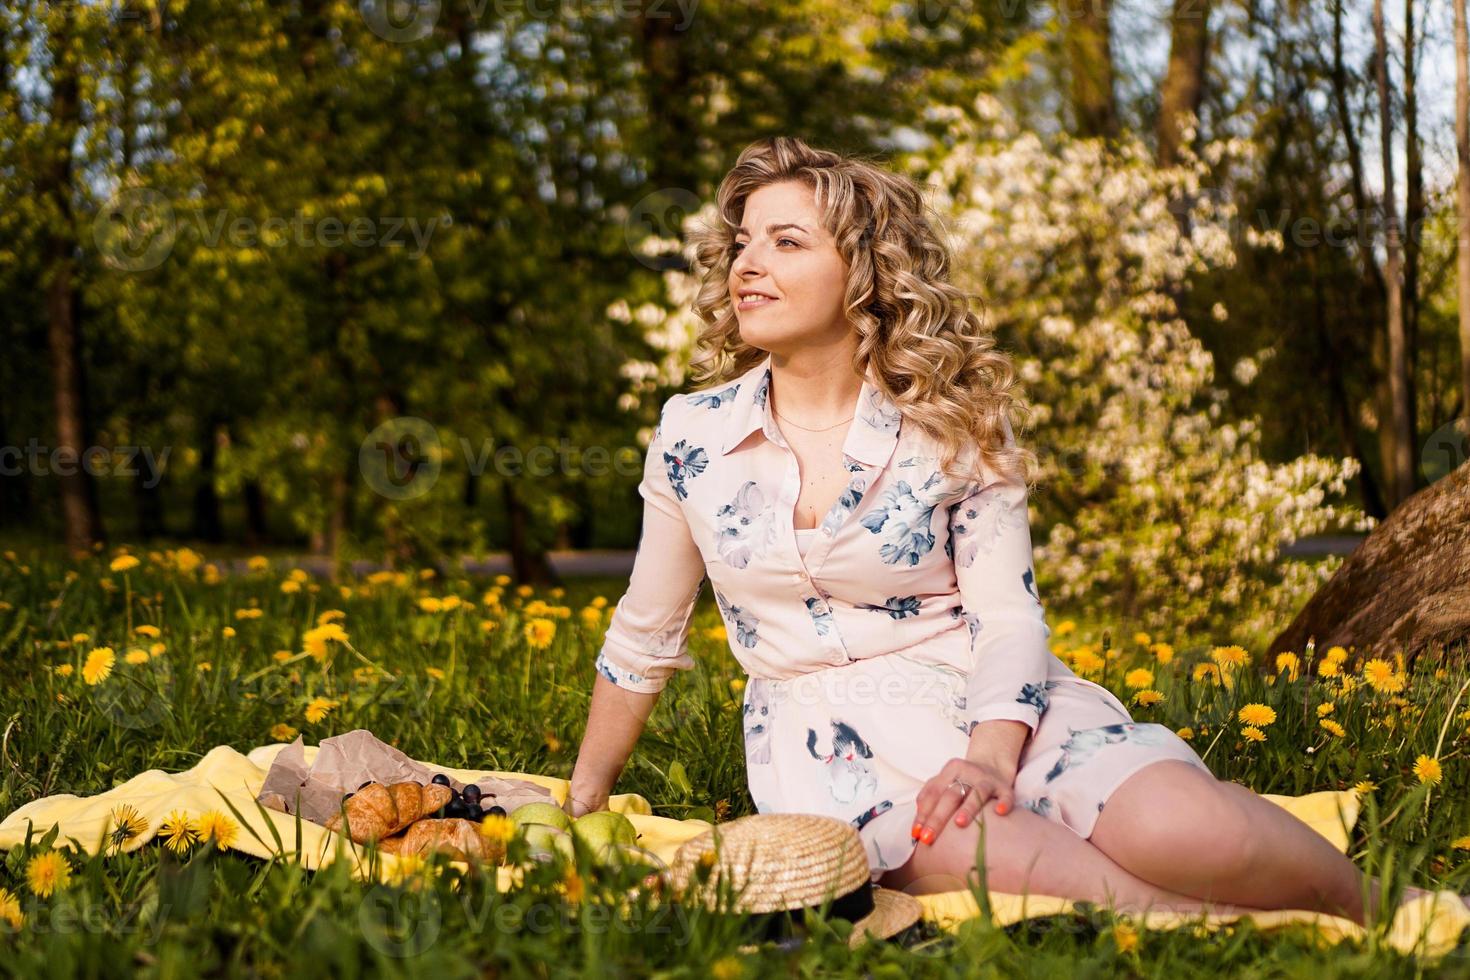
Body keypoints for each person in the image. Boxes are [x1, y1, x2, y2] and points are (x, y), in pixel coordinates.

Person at [565, 136, 1442, 926]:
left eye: (786, 242)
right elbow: (646, 634)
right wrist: (586, 799)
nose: (747, 265)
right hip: (835, 752)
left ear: (866, 274)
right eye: (743, 242)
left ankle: (1377, 902)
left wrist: (989, 758)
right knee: (1051, 875)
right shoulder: (693, 434)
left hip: (998, 702)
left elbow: (1010, 617)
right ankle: (1227, 931)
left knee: (1192, 828)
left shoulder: (954, 423)